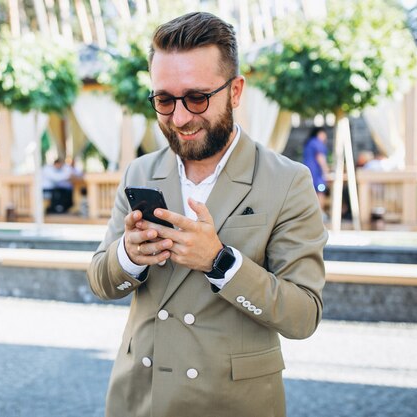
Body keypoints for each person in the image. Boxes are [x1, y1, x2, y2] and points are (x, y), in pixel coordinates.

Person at [86, 12, 327, 417]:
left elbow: (303, 316)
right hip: (139, 399)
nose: (179, 118)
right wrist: (127, 255)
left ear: (235, 92)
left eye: (197, 98)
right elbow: (100, 281)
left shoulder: (288, 180)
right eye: (164, 100)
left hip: (232, 404)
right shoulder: (140, 171)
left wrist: (220, 262)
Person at [302, 127, 330, 214]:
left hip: (308, 172)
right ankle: (320, 213)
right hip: (317, 174)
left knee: (309, 193)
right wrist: (326, 170)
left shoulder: (309, 143)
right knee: (320, 192)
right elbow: (320, 157)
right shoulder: (317, 143)